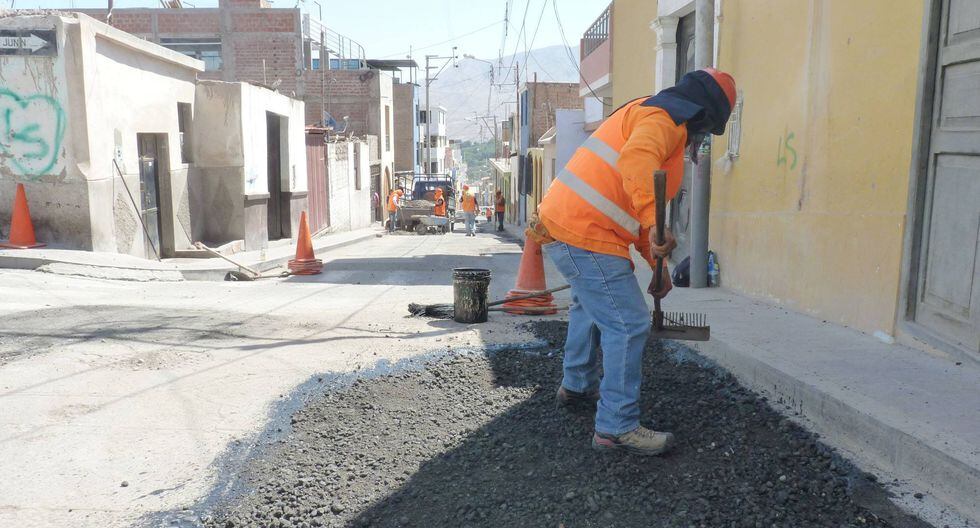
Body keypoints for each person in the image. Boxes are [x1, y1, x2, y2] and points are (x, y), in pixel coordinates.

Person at [533, 68, 737, 456]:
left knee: (589, 305)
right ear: (704, 114)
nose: (701, 140)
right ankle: (616, 426)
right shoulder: (664, 121)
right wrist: (653, 224)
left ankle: (577, 386)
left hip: (569, 222)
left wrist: (656, 264)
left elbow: (643, 209)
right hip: (587, 229)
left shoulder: (651, 113)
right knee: (628, 323)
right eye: (707, 131)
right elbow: (637, 165)